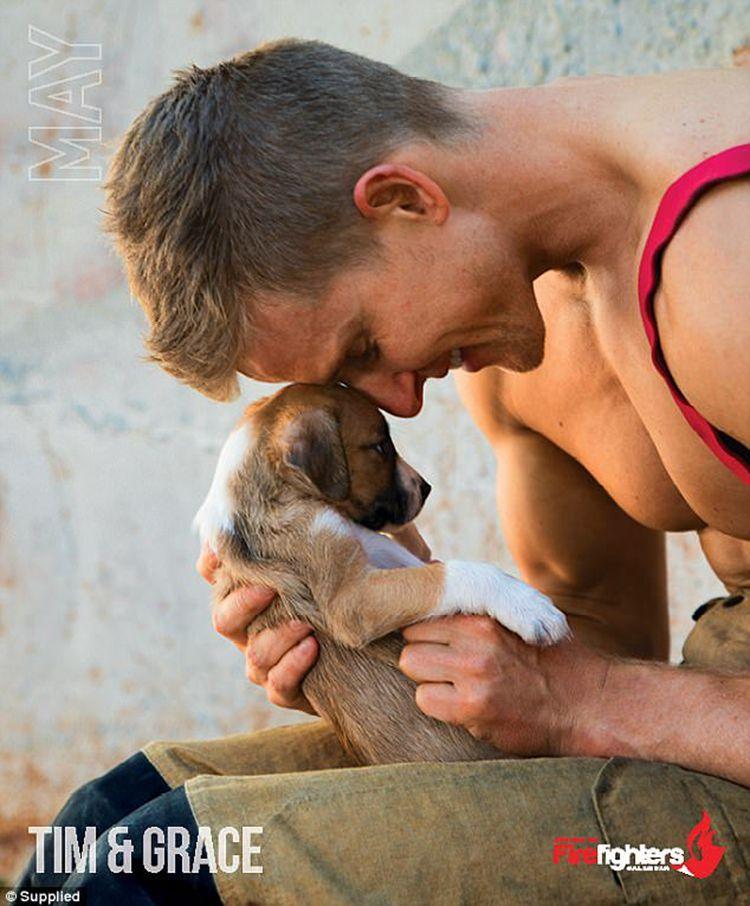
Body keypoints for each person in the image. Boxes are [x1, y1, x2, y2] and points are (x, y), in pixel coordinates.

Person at [19, 40, 750, 903]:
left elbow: (594, 690)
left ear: (405, 200)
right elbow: (592, 635)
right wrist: (367, 652)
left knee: (148, 877)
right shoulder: (522, 310)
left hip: (715, 801)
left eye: (363, 345)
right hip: (696, 719)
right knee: (99, 825)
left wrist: (586, 698)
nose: (398, 402)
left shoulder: (726, 277)